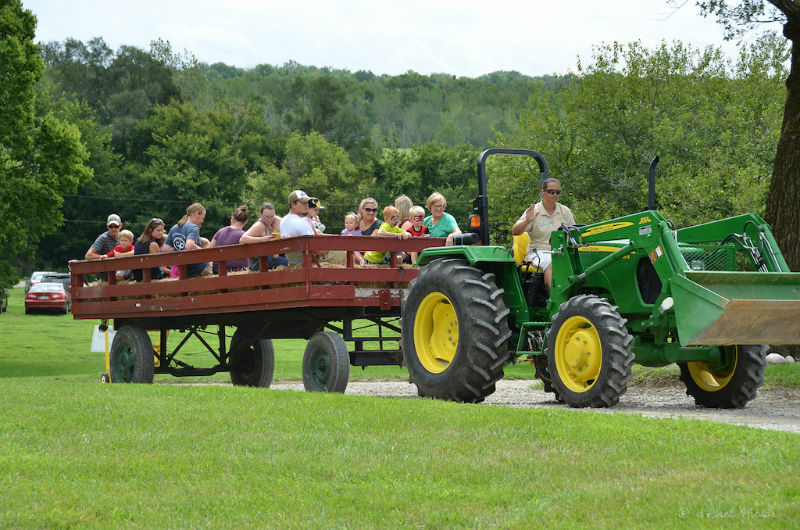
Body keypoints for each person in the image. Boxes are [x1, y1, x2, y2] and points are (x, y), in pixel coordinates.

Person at [511, 178, 575, 290]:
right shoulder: (533, 211)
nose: (555, 195)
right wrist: (527, 220)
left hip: (562, 251)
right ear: (543, 192)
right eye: (551, 191)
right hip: (539, 251)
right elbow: (515, 231)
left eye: (558, 192)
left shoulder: (565, 211)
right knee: (552, 263)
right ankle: (555, 300)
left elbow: (574, 232)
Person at [164, 202, 209, 277]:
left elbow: (165, 249)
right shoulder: (194, 227)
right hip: (197, 267)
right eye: (202, 218)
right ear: (197, 214)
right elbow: (189, 245)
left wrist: (180, 250)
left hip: (182, 269)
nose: (202, 221)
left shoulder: (174, 228)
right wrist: (202, 251)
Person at [240, 202, 287, 270]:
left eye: (272, 216)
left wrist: (279, 236)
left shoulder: (275, 220)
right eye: (266, 217)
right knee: (286, 262)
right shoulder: (259, 225)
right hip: (257, 263)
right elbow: (242, 239)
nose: (269, 219)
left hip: (270, 257)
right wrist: (263, 239)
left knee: (287, 260)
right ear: (261, 214)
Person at [207, 205, 249, 274]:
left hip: (217, 271)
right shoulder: (245, 236)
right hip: (236, 272)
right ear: (246, 222)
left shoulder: (220, 231)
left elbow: (208, 250)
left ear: (232, 218)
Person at [280, 190, 315, 264]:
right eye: (303, 203)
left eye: (306, 202)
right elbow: (315, 249)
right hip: (308, 262)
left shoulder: (282, 221)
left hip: (292, 262)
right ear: (293, 205)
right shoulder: (302, 223)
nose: (306, 205)